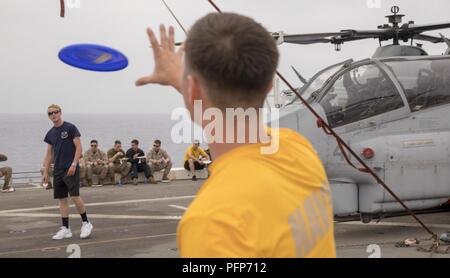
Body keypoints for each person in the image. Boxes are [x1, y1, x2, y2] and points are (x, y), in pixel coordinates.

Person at [135, 13, 336, 257]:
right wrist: (190, 85)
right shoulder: (296, 148)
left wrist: (192, 87)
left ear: (194, 91)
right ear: (269, 85)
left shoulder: (213, 224)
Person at [42, 104, 93, 240]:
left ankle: (86, 223)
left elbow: (79, 147)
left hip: (70, 168)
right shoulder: (51, 133)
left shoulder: (70, 128)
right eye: (50, 113)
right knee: (62, 199)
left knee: (75, 196)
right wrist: (46, 171)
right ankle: (66, 228)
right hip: (58, 169)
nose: (53, 115)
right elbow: (48, 154)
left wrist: (74, 164)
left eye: (55, 112)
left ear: (60, 112)